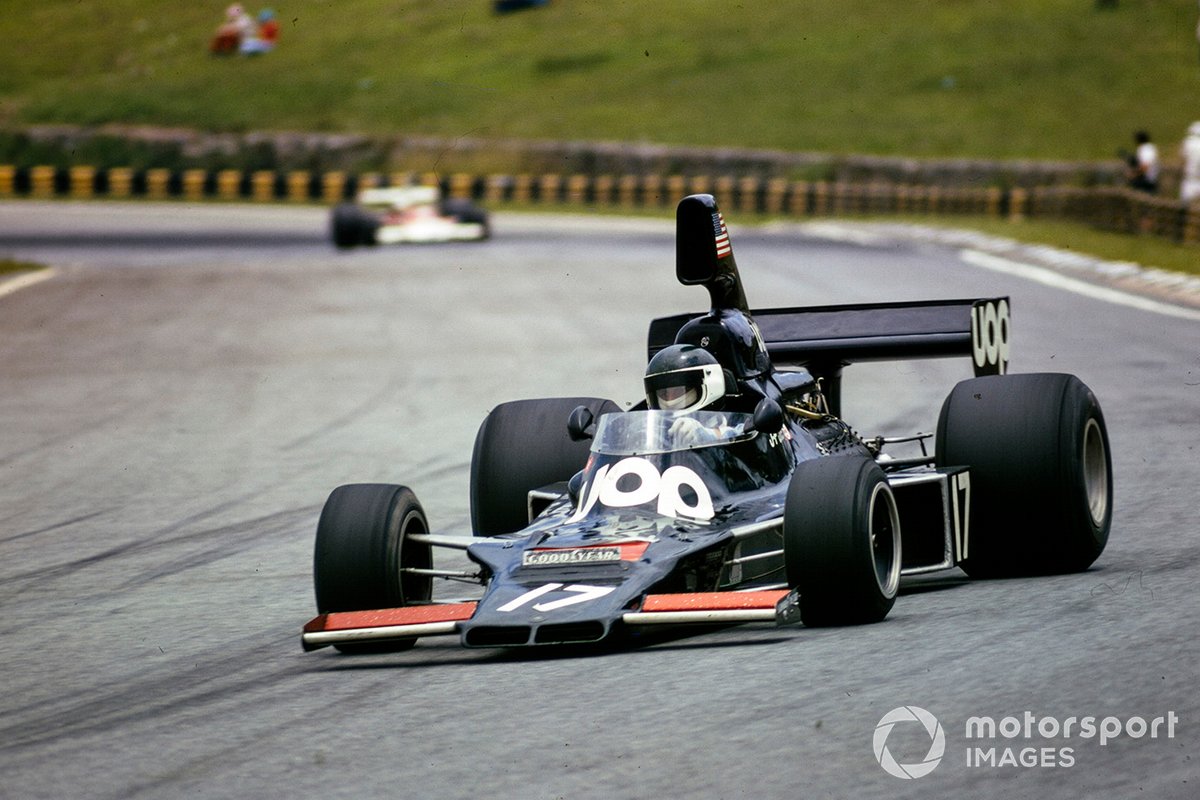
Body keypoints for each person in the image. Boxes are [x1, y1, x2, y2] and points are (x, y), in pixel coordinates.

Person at [1181, 122, 1200, 204]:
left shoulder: (1187, 143)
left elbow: (1183, 160)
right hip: (1195, 179)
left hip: (1189, 180)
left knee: (1185, 208)